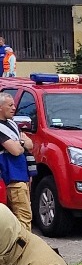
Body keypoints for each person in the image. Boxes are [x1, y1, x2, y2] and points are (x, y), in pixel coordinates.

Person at [0, 92, 33, 230]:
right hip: (12, 178)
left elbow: (30, 144)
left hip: (22, 175)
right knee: (23, 217)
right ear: (0, 107)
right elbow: (16, 150)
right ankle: (24, 249)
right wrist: (21, 142)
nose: (14, 108)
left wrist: (21, 143)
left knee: (24, 215)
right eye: (10, 105)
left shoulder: (13, 124)